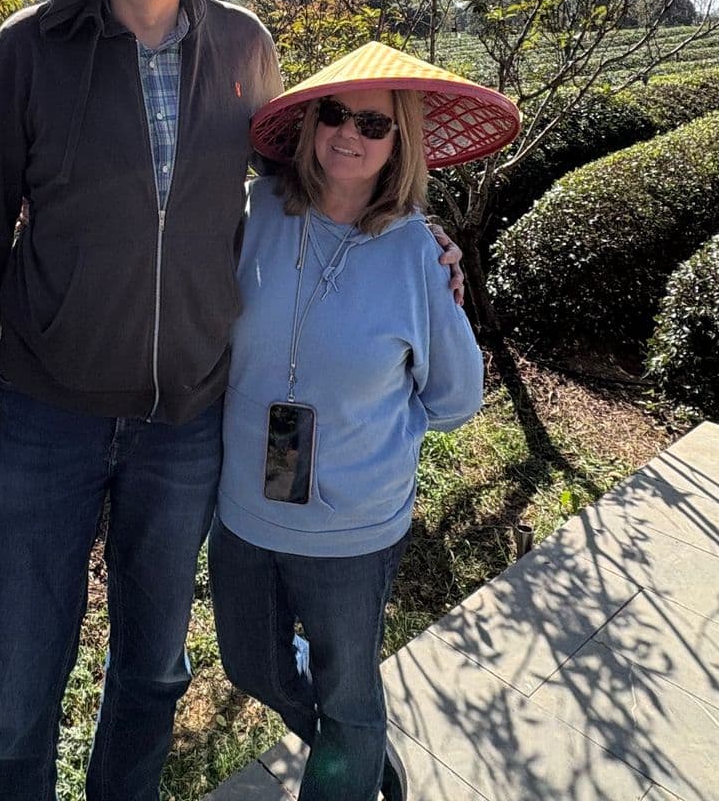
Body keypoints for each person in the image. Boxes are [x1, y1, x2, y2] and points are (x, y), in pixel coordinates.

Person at [0, 0, 286, 801]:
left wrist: (410, 237)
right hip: (51, 407)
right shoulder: (29, 48)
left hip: (189, 415)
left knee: (155, 664)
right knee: (18, 673)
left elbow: (300, 193)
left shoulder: (244, 46)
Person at [210, 42, 519, 801]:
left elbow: (452, 399)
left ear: (400, 142)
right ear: (312, 122)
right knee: (252, 665)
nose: (350, 134)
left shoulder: (417, 252)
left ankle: (348, 755)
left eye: (373, 124)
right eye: (335, 115)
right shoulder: (255, 214)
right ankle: (359, 746)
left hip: (353, 526)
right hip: (245, 511)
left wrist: (368, 435)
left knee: (349, 689)